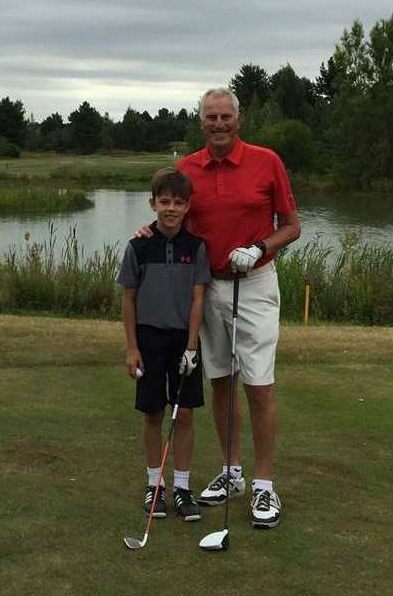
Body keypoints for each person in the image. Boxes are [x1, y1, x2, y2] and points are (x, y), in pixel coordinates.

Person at [136, 88, 300, 529]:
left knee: (259, 384)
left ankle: (264, 487)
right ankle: (232, 472)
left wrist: (260, 246)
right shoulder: (187, 168)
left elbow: (292, 226)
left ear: (238, 120)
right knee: (221, 382)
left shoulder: (267, 161)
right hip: (207, 289)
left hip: (256, 283)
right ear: (201, 121)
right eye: (211, 117)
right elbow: (174, 218)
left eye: (226, 116)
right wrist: (150, 231)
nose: (219, 123)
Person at [117, 167, 212, 522]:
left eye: (178, 203)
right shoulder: (138, 246)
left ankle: (183, 489)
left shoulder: (196, 247)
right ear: (153, 203)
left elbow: (198, 299)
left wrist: (191, 348)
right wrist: (131, 347)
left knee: (184, 413)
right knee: (153, 412)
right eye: (165, 202)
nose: (171, 209)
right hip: (148, 338)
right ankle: (154, 486)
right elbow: (128, 299)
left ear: (188, 207)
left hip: (182, 341)